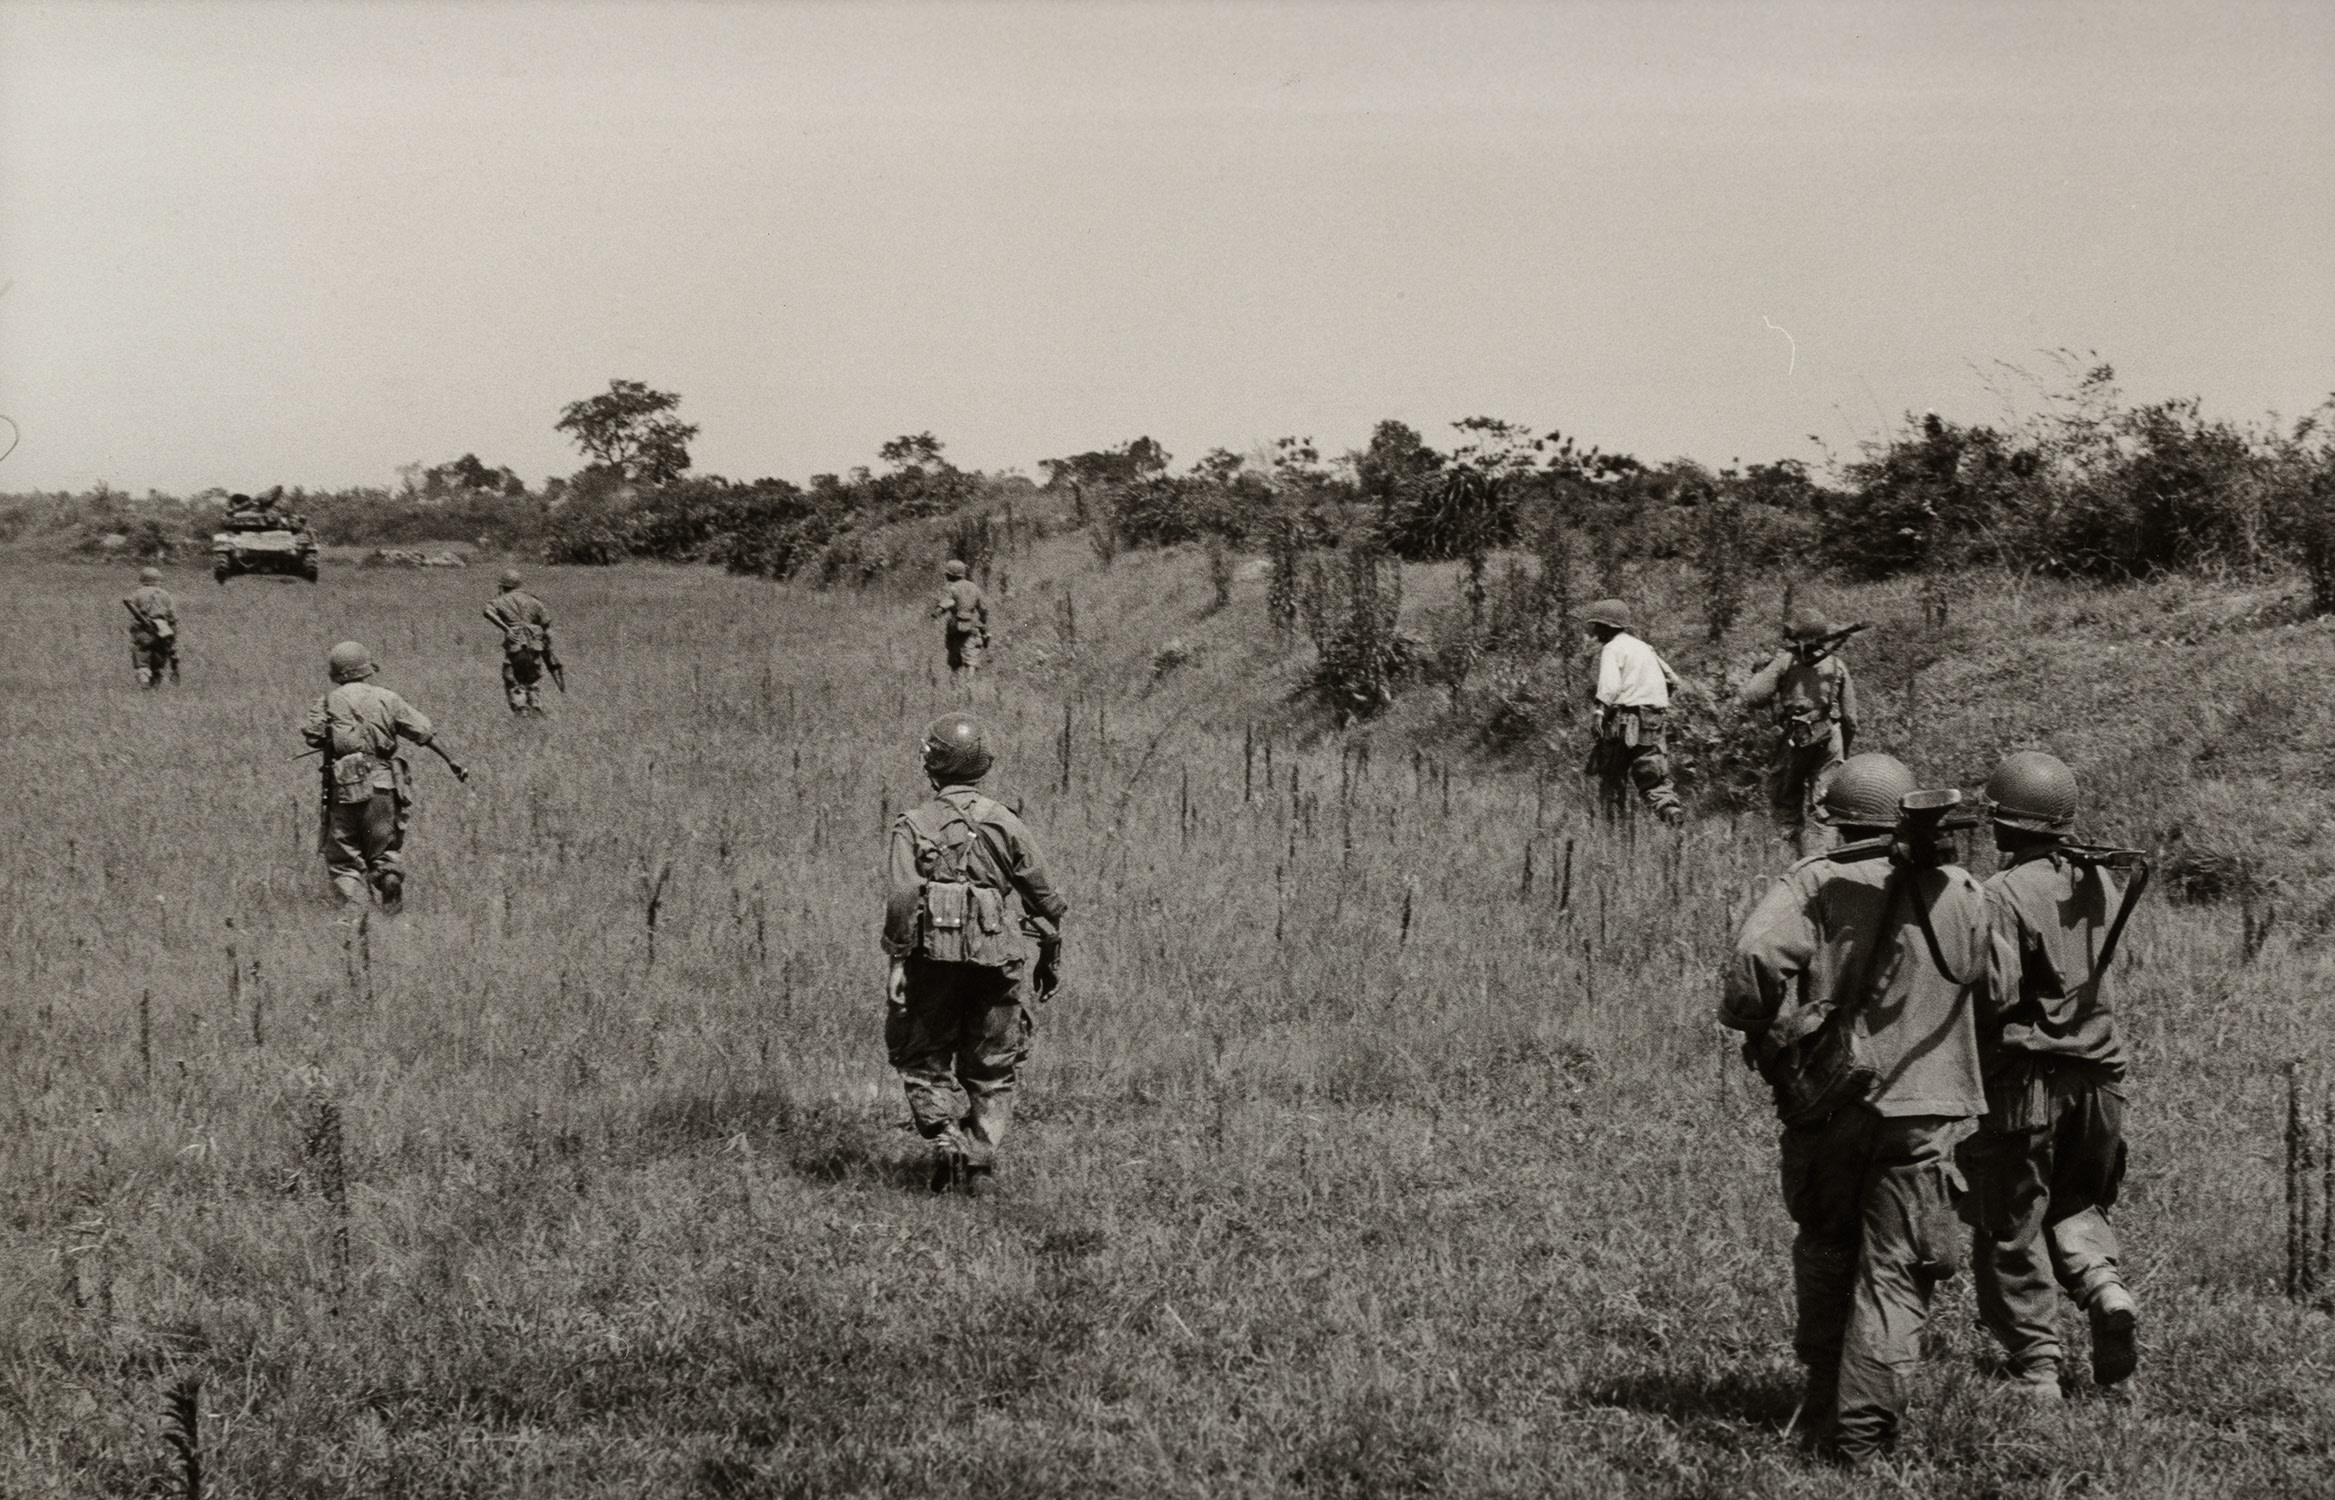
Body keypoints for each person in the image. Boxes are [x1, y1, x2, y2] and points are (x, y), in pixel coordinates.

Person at [1721, 753, 1988, 1466]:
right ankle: (1862, 1436)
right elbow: (2000, 985)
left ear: (1837, 821)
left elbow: (1752, 961)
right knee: (1895, 1270)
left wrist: (1757, 1028)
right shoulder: (1962, 889)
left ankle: (1819, 1394)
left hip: (1835, 1106)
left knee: (1827, 1246)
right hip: (1927, 1111)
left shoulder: (1819, 878)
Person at [1959, 751, 2143, 1399]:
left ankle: (2035, 1367)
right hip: (2100, 1078)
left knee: (2008, 1220)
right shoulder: (2101, 881)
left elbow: (1997, 995)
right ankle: (2104, 1289)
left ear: (2008, 824)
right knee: (2073, 1199)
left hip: (2026, 1084)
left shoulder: (2002, 894)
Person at [881, 712, 1067, 1192]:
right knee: (994, 1061)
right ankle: (980, 1159)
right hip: (997, 957)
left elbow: (903, 899)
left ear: (934, 766)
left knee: (921, 1051)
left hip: (930, 962)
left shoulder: (914, 825)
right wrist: (1049, 951)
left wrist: (897, 962)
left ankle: (945, 1133)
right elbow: (1044, 899)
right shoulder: (1006, 821)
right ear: (981, 765)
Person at [302, 641, 467, 910]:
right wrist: (452, 760)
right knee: (383, 847)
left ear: (336, 671)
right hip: (383, 784)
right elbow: (423, 732)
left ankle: (357, 912)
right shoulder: (387, 697)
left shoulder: (329, 700)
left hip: (345, 788)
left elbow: (312, 736)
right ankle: (389, 877)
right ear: (366, 668)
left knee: (343, 856)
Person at [1742, 610, 1862, 847]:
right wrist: (1842, 751)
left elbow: (1753, 696)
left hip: (1795, 738)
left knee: (1786, 800)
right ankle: (1823, 861)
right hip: (1830, 737)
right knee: (1824, 805)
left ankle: (1791, 856)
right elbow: (1850, 719)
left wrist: (1766, 672)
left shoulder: (1785, 662)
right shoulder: (1837, 666)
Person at [1579, 597, 1684, 823]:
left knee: (1613, 775)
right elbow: (1673, 679)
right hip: (1654, 719)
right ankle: (1670, 812)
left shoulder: (1612, 648)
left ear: (1608, 627)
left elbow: (1610, 686)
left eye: (1598, 626)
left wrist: (1599, 713)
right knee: (1653, 779)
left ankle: (1613, 829)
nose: (1596, 631)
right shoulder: (1644, 647)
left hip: (1625, 721)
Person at [483, 567, 560, 715]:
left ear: (503, 586)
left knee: (512, 678)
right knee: (532, 678)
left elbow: (487, 611)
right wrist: (548, 650)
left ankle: (521, 710)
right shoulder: (534, 601)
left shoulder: (500, 600)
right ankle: (535, 707)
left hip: (516, 645)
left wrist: (506, 628)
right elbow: (547, 628)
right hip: (535, 645)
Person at [930, 559, 989, 687]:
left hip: (956, 627)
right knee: (972, 657)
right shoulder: (974, 587)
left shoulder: (952, 588)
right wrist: (983, 623)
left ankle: (955, 688)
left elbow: (948, 603)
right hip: (972, 626)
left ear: (951, 575)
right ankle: (969, 684)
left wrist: (937, 612)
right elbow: (983, 609)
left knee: (955, 660)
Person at [124, 566, 178, 688]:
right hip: (162, 631)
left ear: (142, 579)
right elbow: (173, 618)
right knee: (159, 660)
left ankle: (144, 685)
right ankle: (155, 687)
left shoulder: (138, 592)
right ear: (158, 579)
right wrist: (173, 637)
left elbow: (128, 602)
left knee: (142, 659)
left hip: (143, 631)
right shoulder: (165, 594)